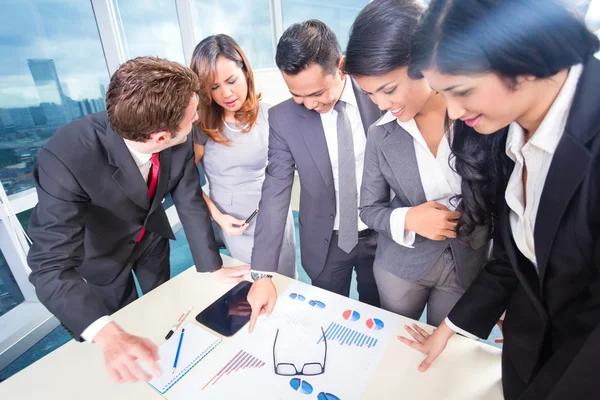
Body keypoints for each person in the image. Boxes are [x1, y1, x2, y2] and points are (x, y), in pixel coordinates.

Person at [398, 1, 600, 399]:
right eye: (443, 94)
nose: (453, 111)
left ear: (522, 57)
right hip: (528, 350)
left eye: (462, 91)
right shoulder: (502, 128)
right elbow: (515, 256)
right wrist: (453, 326)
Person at [27, 57, 225, 383]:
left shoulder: (177, 134)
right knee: (122, 323)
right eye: (192, 119)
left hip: (151, 239)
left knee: (164, 305)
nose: (196, 123)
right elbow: (49, 268)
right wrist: (106, 334)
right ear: (161, 137)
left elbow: (188, 199)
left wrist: (211, 267)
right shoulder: (65, 157)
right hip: (101, 256)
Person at [343, 0, 491, 327]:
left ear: (426, 61)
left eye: (389, 89)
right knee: (395, 346)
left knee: (446, 354)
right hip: (401, 268)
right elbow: (368, 208)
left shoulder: (480, 117)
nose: (382, 104)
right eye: (369, 95)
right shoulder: (381, 135)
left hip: (467, 263)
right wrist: (409, 218)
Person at [247, 20, 382, 330]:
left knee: (379, 318)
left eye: (317, 92)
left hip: (381, 234)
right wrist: (263, 274)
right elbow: (275, 191)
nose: (310, 104)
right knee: (326, 322)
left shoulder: (377, 94)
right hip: (325, 241)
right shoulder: (283, 119)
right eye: (298, 96)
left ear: (341, 66)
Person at [189, 34, 296, 280]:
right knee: (248, 287)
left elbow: (289, 166)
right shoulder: (202, 127)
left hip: (275, 214)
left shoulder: (270, 114)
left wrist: (274, 198)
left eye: (231, 80)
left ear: (246, 72)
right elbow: (185, 183)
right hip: (234, 222)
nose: (226, 93)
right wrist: (218, 216)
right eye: (214, 87)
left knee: (286, 283)